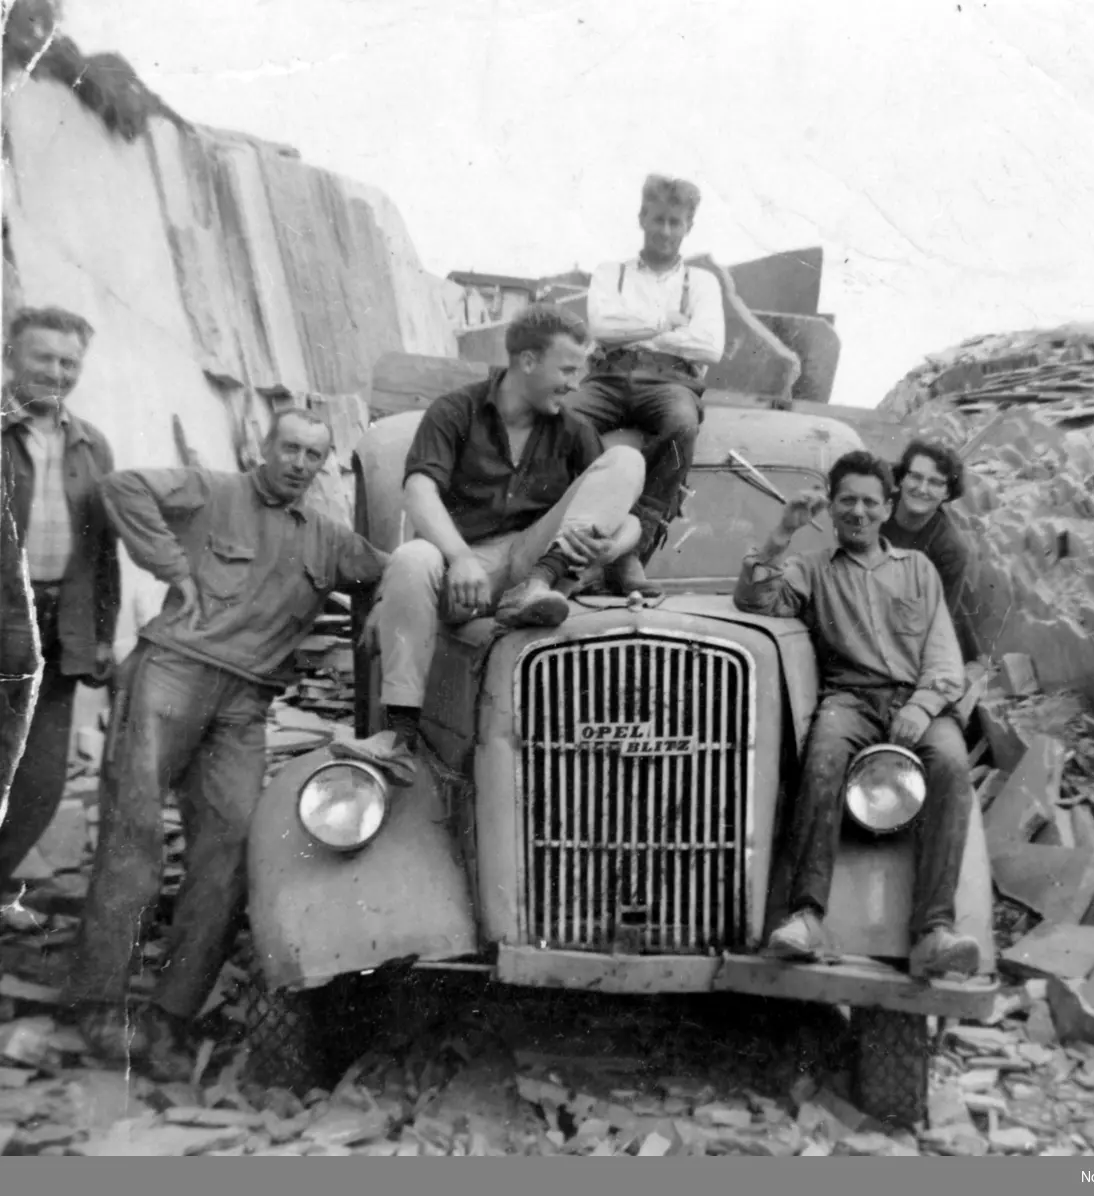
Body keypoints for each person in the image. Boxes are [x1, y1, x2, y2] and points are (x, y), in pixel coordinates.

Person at [63, 408, 389, 1079]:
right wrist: (173, 568)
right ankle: (98, 1005)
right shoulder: (211, 491)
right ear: (264, 448)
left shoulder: (326, 539)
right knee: (135, 836)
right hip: (172, 674)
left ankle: (169, 1017)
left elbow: (391, 569)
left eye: (312, 455)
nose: (298, 462)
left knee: (233, 850)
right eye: (289, 447)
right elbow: (123, 489)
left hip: (244, 704)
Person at [332, 304, 645, 778]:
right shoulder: (455, 411)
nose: (575, 384)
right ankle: (398, 735)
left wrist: (612, 546)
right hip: (463, 568)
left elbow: (628, 513)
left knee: (627, 461)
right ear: (527, 362)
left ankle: (538, 586)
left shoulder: (574, 430)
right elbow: (418, 490)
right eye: (566, 369)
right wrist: (458, 557)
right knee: (413, 556)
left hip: (534, 564)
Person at [733, 450, 980, 979]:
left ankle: (934, 931)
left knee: (952, 767)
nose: (859, 512)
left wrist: (922, 704)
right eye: (847, 501)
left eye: (871, 502)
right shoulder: (813, 568)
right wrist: (783, 532)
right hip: (850, 698)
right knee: (822, 758)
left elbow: (943, 652)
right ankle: (805, 917)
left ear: (889, 509)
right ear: (832, 506)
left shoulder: (919, 569)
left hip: (920, 701)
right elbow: (756, 600)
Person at [0, 307, 119, 905]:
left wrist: (101, 637)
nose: (56, 371)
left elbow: (104, 554)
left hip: (58, 629)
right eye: (43, 357)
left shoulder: (91, 443)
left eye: (69, 362)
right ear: (10, 355)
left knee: (41, 783)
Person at [567, 174, 725, 595]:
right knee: (563, 420)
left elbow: (709, 346)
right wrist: (664, 324)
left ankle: (632, 547)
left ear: (688, 226)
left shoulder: (702, 283)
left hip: (670, 381)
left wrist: (633, 330)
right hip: (609, 376)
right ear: (642, 218)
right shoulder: (611, 273)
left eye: (676, 222)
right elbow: (601, 326)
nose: (666, 231)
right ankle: (567, 537)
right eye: (658, 220)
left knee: (681, 425)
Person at [882, 439, 979, 661]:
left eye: (935, 482)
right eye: (915, 477)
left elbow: (937, 622)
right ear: (902, 478)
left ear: (947, 493)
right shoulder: (875, 508)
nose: (922, 489)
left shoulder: (950, 549)